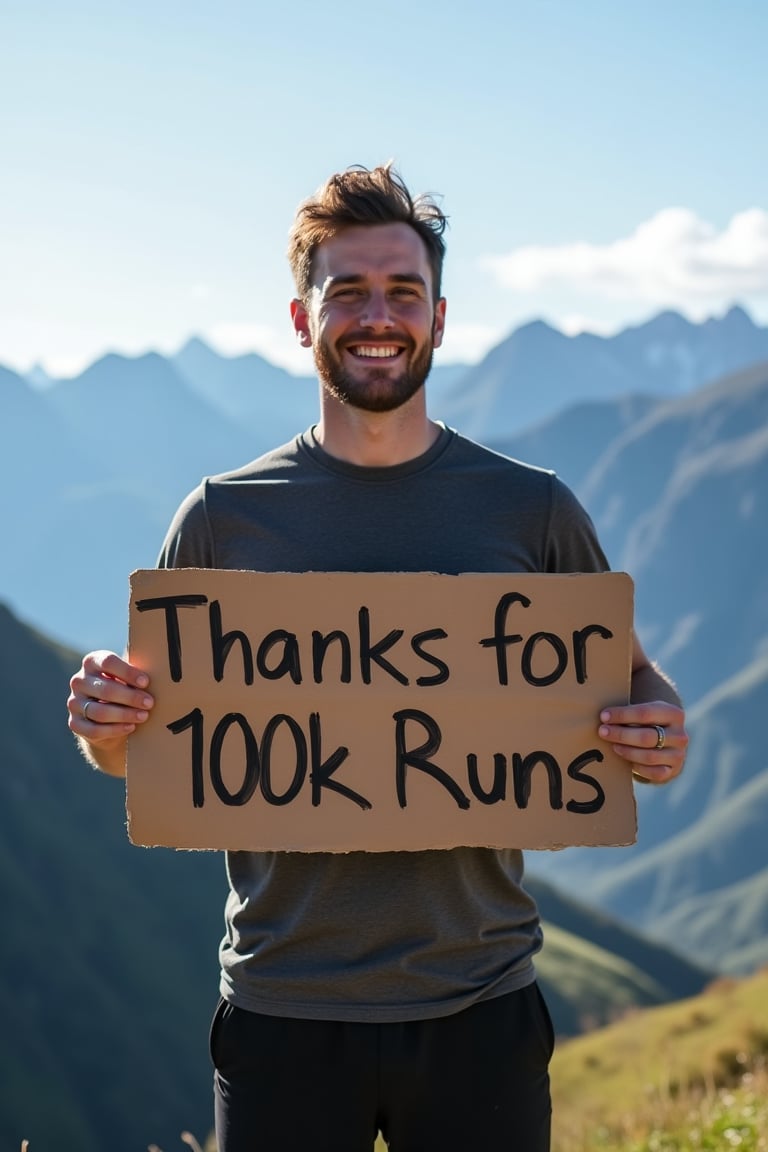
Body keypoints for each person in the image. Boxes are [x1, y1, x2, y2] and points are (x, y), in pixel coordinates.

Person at [67, 163, 688, 1152]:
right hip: (282, 1012)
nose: (377, 315)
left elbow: (629, 675)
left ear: (440, 318)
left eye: (403, 292)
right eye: (346, 290)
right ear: (300, 317)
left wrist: (658, 725)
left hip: (482, 1006)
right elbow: (146, 749)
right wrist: (105, 724)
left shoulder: (531, 508)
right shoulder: (223, 517)